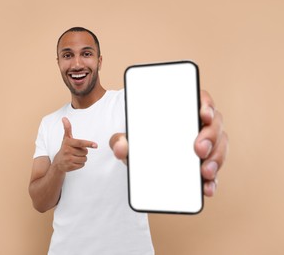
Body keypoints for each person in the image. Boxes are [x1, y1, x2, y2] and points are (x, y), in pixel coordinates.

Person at [29, 27, 228, 255]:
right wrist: (58, 166)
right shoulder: (49, 123)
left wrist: (200, 112)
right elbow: (39, 202)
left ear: (99, 60)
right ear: (58, 63)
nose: (76, 64)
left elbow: (176, 110)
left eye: (86, 53)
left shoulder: (129, 102)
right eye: (67, 55)